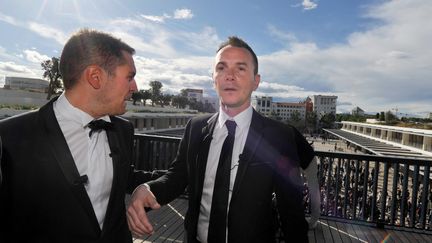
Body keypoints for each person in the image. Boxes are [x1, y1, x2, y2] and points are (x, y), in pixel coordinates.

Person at [127, 36, 314, 243]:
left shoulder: (279, 136)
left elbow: (291, 211)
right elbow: (177, 177)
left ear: (256, 81)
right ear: (214, 78)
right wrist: (149, 188)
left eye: (241, 68)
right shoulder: (195, 128)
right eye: (222, 68)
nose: (230, 76)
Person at [0, 29, 161, 242]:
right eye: (130, 76)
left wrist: (164, 181)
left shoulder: (124, 130)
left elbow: (122, 178)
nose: (135, 87)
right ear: (95, 77)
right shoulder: (10, 136)